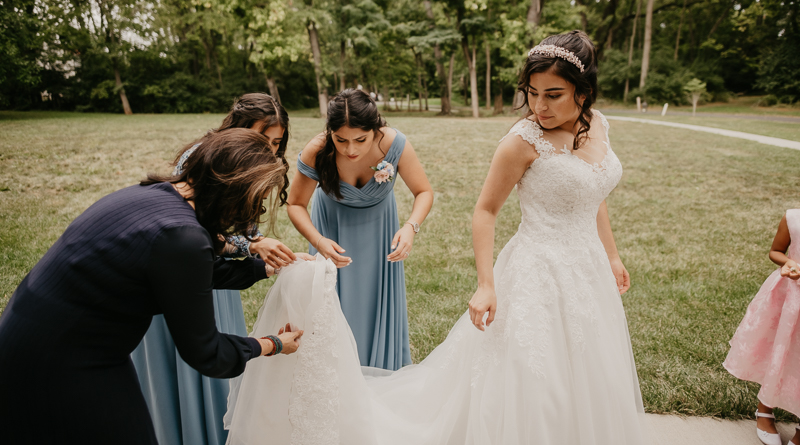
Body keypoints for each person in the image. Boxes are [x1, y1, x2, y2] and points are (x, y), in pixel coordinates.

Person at [225, 31, 646, 444]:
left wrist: (610, 254)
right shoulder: (522, 141)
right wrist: (486, 284)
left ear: (583, 92)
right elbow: (485, 211)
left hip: (587, 270)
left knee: (588, 368)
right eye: (532, 92)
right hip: (536, 268)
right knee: (532, 374)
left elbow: (591, 194)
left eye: (553, 94)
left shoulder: (599, 129)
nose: (539, 105)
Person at [0, 129, 304, 444]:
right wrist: (273, 344)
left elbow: (188, 275)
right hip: (58, 359)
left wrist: (265, 267)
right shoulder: (182, 237)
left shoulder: (157, 195)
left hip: (44, 336)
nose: (258, 211)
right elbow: (207, 354)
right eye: (256, 200)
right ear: (234, 192)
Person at [130, 93, 305, 445]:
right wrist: (252, 246)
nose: (270, 151)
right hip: (185, 269)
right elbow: (200, 227)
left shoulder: (255, 163)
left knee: (221, 349)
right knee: (194, 351)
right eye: (261, 139)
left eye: (276, 142)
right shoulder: (200, 158)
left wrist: (260, 250)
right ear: (237, 129)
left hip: (216, 270)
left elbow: (243, 224)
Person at [287, 89, 434, 370]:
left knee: (375, 307)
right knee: (331, 308)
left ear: (375, 129)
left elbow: (423, 191)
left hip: (379, 238)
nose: (350, 149)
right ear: (330, 132)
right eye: (340, 140)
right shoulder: (317, 150)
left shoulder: (394, 143)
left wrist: (410, 227)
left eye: (360, 140)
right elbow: (295, 204)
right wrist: (318, 241)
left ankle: (378, 371)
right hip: (331, 236)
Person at [724, 210, 800, 445]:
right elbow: (775, 251)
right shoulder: (793, 218)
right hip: (791, 298)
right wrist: (789, 262)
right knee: (781, 351)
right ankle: (764, 409)